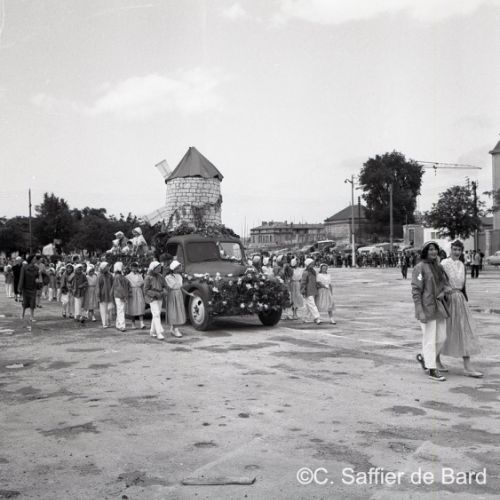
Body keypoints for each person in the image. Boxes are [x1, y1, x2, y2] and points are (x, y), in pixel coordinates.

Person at [440, 240, 483, 377]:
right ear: (450, 249)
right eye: (455, 249)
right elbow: (438, 281)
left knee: (465, 330)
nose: (457, 252)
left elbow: (463, 286)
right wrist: (443, 293)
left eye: (459, 250)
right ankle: (433, 359)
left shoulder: (462, 264)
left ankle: (467, 366)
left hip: (460, 300)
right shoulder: (444, 263)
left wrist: (464, 298)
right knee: (443, 331)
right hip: (447, 300)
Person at [412, 241, 451, 382]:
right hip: (426, 308)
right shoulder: (419, 267)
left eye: (435, 249)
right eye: (430, 250)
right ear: (425, 252)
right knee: (429, 339)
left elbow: (446, 285)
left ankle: (426, 360)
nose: (433, 252)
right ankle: (432, 369)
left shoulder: (439, 267)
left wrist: (444, 292)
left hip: (439, 307)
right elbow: (416, 291)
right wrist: (420, 311)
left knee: (442, 338)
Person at [144, 261, 167, 340]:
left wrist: (164, 291)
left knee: (156, 314)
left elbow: (164, 285)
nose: (159, 269)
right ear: (153, 268)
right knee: (156, 314)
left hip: (160, 297)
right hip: (152, 298)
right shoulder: (148, 277)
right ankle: (159, 333)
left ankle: (152, 331)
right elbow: (145, 290)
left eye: (160, 268)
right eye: (158, 268)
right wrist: (155, 294)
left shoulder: (160, 276)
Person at [18, 255, 39, 332]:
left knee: (33, 302)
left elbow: (37, 276)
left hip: (33, 287)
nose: (35, 260)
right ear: (31, 260)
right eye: (34, 259)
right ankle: (22, 314)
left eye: (36, 259)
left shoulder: (36, 268)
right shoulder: (24, 267)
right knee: (25, 301)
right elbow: (21, 278)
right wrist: (20, 288)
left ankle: (32, 316)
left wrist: (37, 280)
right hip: (25, 287)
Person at [165, 260, 186, 337]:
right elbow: (172, 286)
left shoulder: (179, 276)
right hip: (172, 294)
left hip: (179, 294)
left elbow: (180, 287)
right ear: (173, 268)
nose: (179, 269)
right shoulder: (168, 277)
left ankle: (173, 328)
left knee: (178, 311)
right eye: (177, 268)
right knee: (173, 311)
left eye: (179, 267)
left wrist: (189, 293)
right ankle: (175, 329)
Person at [300, 258, 321, 325]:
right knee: (312, 304)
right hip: (307, 291)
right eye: (311, 264)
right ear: (308, 264)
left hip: (313, 290)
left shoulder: (313, 271)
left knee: (307, 305)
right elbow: (303, 282)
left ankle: (305, 318)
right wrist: (303, 290)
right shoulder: (305, 273)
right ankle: (317, 318)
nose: (313, 265)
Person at [126, 262, 146, 329]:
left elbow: (142, 284)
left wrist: (143, 293)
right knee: (132, 307)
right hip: (132, 292)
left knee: (140, 306)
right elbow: (127, 286)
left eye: (136, 267)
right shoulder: (128, 276)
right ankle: (133, 323)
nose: (134, 269)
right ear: (131, 268)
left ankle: (141, 323)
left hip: (139, 291)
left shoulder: (140, 275)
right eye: (133, 267)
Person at [111, 262, 129, 332]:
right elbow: (119, 287)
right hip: (120, 295)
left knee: (120, 310)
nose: (123, 267)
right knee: (121, 310)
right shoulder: (118, 276)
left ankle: (118, 324)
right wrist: (123, 296)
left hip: (118, 295)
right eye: (122, 266)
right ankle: (122, 325)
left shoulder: (118, 276)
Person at [97, 261, 114, 329]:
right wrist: (98, 295)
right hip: (102, 295)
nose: (108, 268)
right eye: (106, 266)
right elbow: (98, 286)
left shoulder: (110, 275)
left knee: (110, 309)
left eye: (108, 266)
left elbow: (113, 284)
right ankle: (104, 323)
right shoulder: (99, 276)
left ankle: (109, 322)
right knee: (103, 309)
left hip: (110, 294)